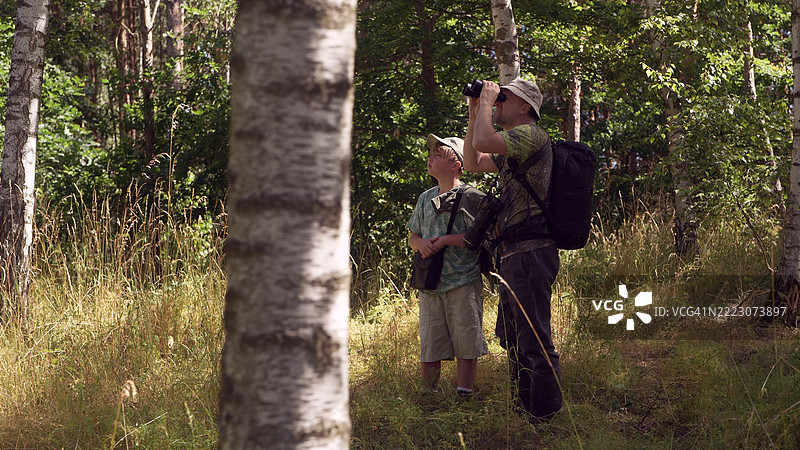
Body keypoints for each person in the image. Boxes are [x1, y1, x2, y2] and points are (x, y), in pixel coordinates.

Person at [462, 78, 563, 422]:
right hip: (513, 253)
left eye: (506, 98)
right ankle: (523, 414)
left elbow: (484, 140)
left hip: (532, 251)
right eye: (498, 97)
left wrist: (488, 103)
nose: (499, 101)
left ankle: (545, 421)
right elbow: (473, 161)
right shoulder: (513, 148)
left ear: (526, 108)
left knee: (534, 339)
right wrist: (476, 108)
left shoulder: (531, 136)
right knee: (515, 340)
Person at [407, 134, 489, 397]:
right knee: (431, 340)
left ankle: (464, 392)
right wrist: (419, 245)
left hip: (463, 280)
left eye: (438, 155)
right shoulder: (424, 198)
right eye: (430, 154)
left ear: (457, 165)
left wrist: (444, 241)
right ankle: (428, 393)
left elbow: (478, 238)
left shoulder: (473, 197)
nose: (430, 158)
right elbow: (413, 235)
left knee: (466, 337)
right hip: (430, 283)